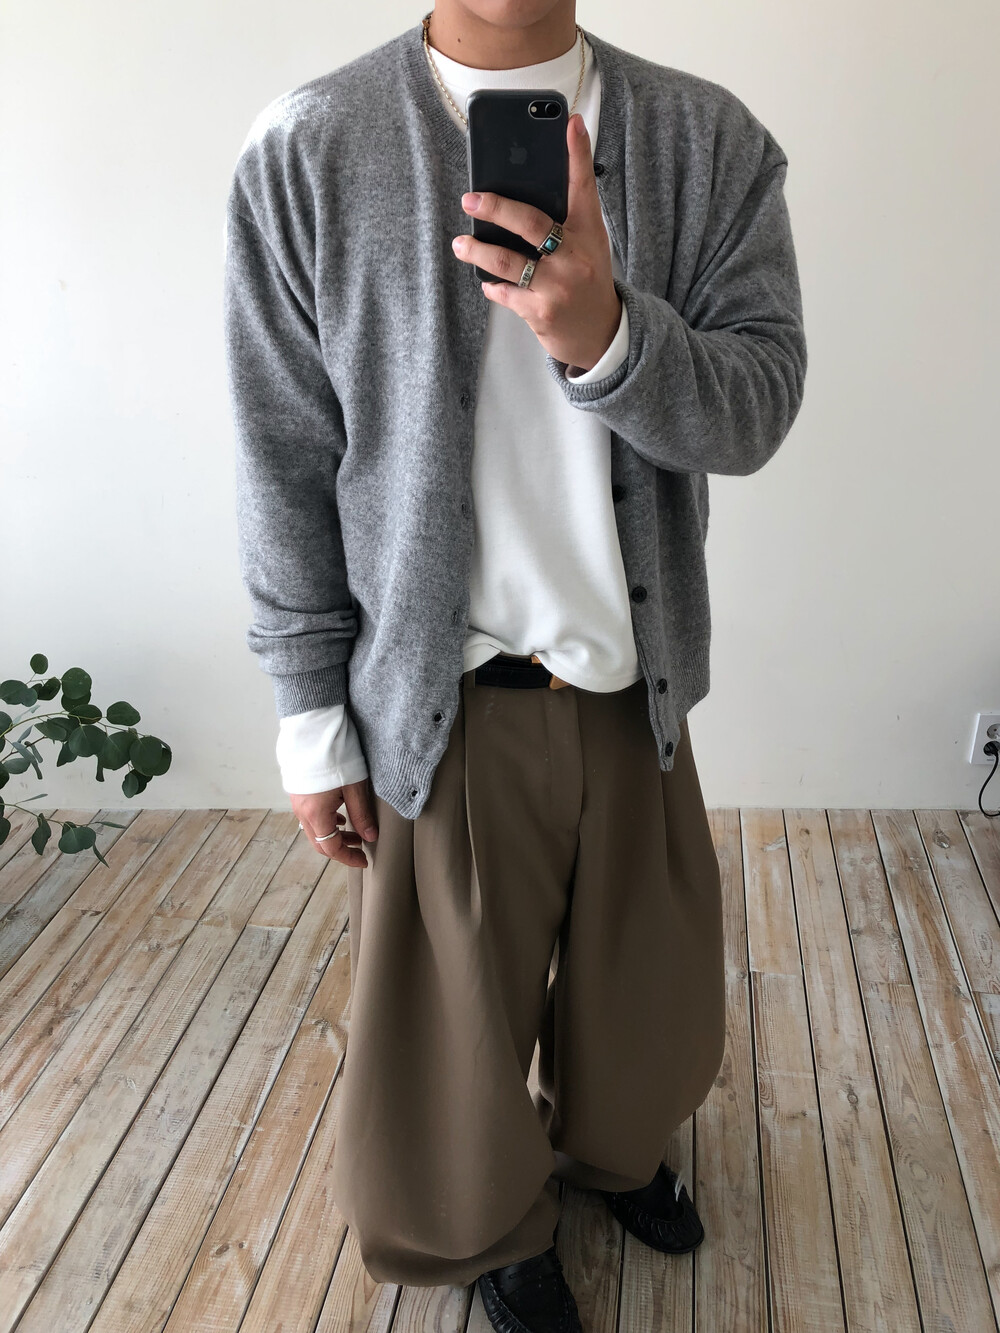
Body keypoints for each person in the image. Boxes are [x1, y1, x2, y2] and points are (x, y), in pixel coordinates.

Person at [222, 2, 806, 1328]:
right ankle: (491, 1230)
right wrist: (311, 715)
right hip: (446, 701)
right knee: (451, 1029)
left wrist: (607, 332)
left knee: (645, 989)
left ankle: (609, 1155)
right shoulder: (309, 146)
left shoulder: (708, 140)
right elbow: (282, 456)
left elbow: (759, 405)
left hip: (632, 682)